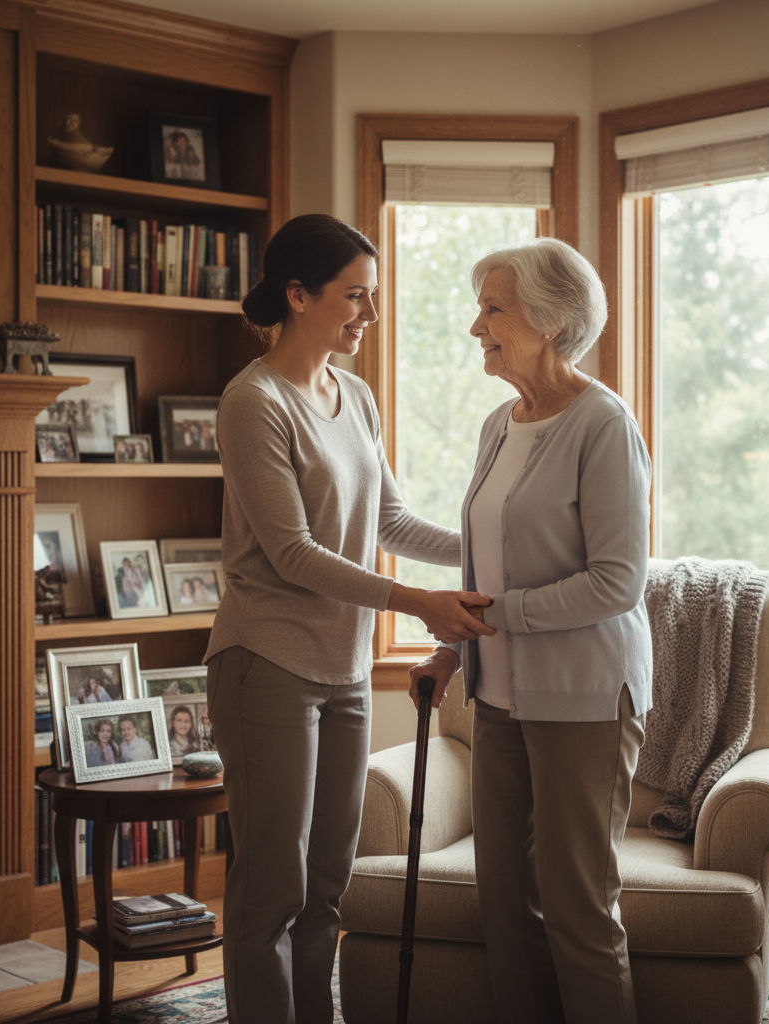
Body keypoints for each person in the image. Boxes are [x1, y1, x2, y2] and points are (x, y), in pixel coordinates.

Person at [203, 213, 494, 1024]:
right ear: (298, 295)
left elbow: (392, 522)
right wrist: (420, 603)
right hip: (266, 664)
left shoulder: (353, 393)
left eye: (372, 297)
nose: (368, 313)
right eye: (354, 297)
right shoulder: (252, 402)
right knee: (273, 885)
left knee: (328, 879)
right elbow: (293, 553)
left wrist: (492, 551)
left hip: (343, 672)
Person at [409, 238, 652, 1024]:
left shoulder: (603, 425)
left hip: (584, 697)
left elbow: (619, 581)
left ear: (549, 321)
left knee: (578, 908)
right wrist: (451, 649)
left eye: (493, 309)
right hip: (498, 698)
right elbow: (488, 558)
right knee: (503, 906)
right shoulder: (497, 425)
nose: (476, 327)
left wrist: (497, 621)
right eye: (481, 308)